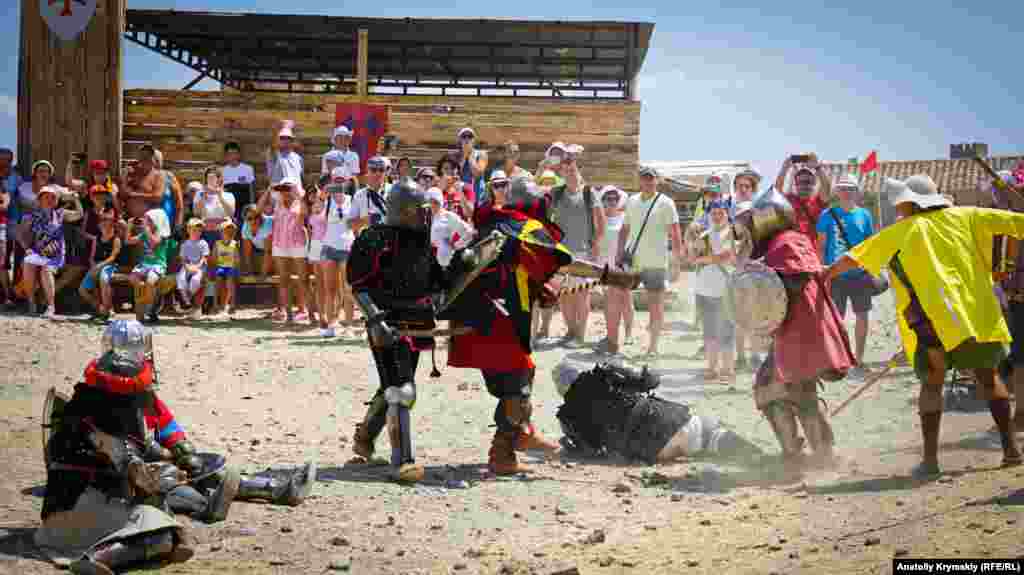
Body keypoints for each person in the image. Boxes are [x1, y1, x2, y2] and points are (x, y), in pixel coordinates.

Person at [825, 175, 1023, 476]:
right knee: (988, 377)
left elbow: (855, 257)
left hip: (934, 321)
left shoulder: (903, 230)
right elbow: (1017, 223)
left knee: (932, 384)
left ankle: (930, 463)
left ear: (909, 202)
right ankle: (1010, 451)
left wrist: (824, 274)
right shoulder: (968, 215)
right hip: (976, 315)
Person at [445, 177, 636, 474]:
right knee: (518, 386)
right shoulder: (526, 227)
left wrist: (535, 289)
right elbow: (564, 262)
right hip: (499, 319)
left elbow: (509, 269)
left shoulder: (490, 225)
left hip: (473, 316)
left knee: (515, 380)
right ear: (536, 204)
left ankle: (521, 433)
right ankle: (504, 453)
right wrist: (609, 275)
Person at [35, 320, 194, 574]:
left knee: (162, 527)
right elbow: (137, 475)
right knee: (160, 534)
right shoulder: (111, 435)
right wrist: (163, 476)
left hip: (60, 513)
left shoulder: (81, 408)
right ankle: (99, 557)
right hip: (82, 514)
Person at [735, 186, 854, 469]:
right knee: (790, 390)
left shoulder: (787, 242)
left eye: (753, 222)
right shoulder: (785, 241)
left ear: (766, 219)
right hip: (797, 328)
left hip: (803, 329)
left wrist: (763, 276)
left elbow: (795, 281)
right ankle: (807, 453)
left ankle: (816, 455)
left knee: (791, 390)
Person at [347, 180, 449, 483]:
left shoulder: (421, 244)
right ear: (404, 211)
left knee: (395, 384)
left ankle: (365, 436)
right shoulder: (374, 239)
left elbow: (437, 283)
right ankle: (403, 461)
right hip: (386, 322)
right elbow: (359, 285)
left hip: (417, 323)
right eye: (418, 210)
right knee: (401, 389)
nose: (424, 215)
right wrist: (376, 320)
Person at [140, 393, 315, 520]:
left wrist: (178, 448)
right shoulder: (112, 408)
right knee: (164, 481)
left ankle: (279, 489)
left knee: (197, 465)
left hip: (156, 461)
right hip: (130, 478)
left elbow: (166, 424)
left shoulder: (142, 395)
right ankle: (205, 508)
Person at [553, 361, 763, 462]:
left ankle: (711, 447)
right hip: (667, 423)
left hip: (648, 452)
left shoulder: (566, 417)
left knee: (699, 442)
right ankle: (759, 458)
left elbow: (591, 451)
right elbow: (651, 380)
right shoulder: (603, 373)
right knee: (709, 429)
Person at [615, 166, 684, 357]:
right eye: (644, 178)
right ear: (640, 180)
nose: (648, 181)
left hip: (656, 262)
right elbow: (624, 230)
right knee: (620, 296)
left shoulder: (666, 202)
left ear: (657, 180)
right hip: (633, 261)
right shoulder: (632, 201)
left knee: (655, 305)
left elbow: (676, 233)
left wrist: (676, 262)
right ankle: (623, 337)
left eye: (651, 178)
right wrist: (618, 254)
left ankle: (653, 346)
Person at [816, 174, 877, 373]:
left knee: (862, 316)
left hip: (859, 274)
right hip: (835, 275)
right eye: (842, 188)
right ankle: (839, 358)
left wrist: (871, 268)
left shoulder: (865, 215)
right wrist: (821, 270)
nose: (846, 192)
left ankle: (859, 358)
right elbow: (821, 244)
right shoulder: (827, 214)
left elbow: (871, 244)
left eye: (850, 188)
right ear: (837, 192)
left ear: (856, 191)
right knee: (836, 319)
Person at [549, 148, 604, 348]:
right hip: (561, 253)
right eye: (566, 169)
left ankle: (580, 335)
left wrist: (596, 244)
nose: (570, 171)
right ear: (561, 172)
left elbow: (601, 223)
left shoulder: (589, 193)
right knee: (564, 295)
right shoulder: (556, 194)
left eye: (572, 168)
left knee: (581, 294)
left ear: (576, 169)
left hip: (582, 252)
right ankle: (570, 332)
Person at [689, 198, 738, 383]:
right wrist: (698, 253)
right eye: (714, 213)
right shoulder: (704, 235)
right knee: (709, 331)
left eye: (721, 213)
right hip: (704, 289)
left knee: (726, 332)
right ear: (709, 215)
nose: (717, 216)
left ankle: (727, 370)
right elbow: (692, 258)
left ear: (727, 214)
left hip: (726, 289)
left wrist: (703, 258)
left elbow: (727, 256)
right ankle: (711, 368)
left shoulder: (733, 234)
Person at [990, 169, 1024, 432]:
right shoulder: (1007, 222)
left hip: (1016, 296)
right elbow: (1001, 266)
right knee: (1019, 356)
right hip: (1016, 296)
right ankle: (1021, 413)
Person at [17, 185, 83, 318]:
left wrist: (76, 200)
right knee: (27, 263)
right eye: (45, 197)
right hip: (37, 252)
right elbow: (20, 234)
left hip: (55, 254)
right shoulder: (31, 216)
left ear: (56, 201)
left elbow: (79, 215)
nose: (49, 199)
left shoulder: (60, 213)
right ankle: (31, 302)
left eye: (53, 197)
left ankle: (50, 306)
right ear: (39, 200)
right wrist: (27, 249)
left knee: (46, 269)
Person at [259, 177, 308, 322]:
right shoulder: (277, 203)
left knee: (302, 278)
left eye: (288, 188)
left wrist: (299, 196)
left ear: (294, 189)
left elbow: (305, 214)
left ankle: (303, 310)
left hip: (297, 243)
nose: (285, 191)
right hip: (280, 244)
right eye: (282, 189)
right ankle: (288, 314)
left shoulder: (300, 202)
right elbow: (258, 208)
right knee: (284, 279)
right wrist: (269, 190)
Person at [730, 168, 764, 369]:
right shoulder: (729, 208)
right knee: (740, 313)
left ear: (753, 189)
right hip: (738, 265)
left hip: (758, 263)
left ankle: (755, 355)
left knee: (756, 312)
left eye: (747, 186)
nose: (743, 189)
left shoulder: (761, 207)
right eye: (739, 186)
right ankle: (741, 356)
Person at [595, 185, 634, 354]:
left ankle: (629, 334)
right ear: (602, 201)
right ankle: (611, 334)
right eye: (607, 199)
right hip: (605, 264)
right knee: (609, 300)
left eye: (614, 198)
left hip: (622, 264)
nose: (611, 202)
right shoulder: (598, 219)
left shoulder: (625, 218)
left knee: (626, 299)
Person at [320, 179, 357, 336]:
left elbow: (357, 222)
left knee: (348, 289)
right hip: (329, 248)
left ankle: (349, 326)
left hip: (347, 248)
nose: (338, 185)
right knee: (330, 290)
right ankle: (331, 325)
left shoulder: (353, 199)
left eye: (341, 182)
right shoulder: (326, 200)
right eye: (335, 182)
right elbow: (315, 207)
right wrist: (324, 194)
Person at [125, 208, 173, 324]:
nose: (146, 222)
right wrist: (129, 226)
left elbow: (154, 242)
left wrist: (146, 230)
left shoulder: (162, 235)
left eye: (149, 220)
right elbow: (128, 241)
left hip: (157, 265)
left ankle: (149, 306)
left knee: (151, 280)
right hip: (144, 265)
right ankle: (145, 304)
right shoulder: (144, 233)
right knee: (133, 279)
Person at [78, 209, 122, 322]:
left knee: (103, 278)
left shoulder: (116, 239)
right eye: (102, 220)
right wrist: (93, 266)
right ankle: (100, 308)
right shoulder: (96, 239)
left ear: (112, 223)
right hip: (96, 265)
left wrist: (99, 266)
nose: (104, 223)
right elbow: (92, 257)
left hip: (110, 265)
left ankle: (107, 310)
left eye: (107, 220)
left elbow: (113, 257)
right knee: (82, 289)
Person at [427, 186, 474, 268]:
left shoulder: (449, 216)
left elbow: (468, 232)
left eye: (435, 202)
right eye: (430, 202)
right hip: (432, 262)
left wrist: (455, 246)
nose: (432, 205)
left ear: (440, 201)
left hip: (452, 262)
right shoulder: (427, 218)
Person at [349, 156, 390, 237]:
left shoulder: (394, 191)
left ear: (385, 173)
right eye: (374, 170)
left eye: (381, 170)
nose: (378, 173)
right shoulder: (359, 195)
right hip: (368, 243)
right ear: (368, 171)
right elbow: (350, 224)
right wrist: (366, 220)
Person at [175, 219, 208, 320]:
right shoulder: (185, 244)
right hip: (187, 266)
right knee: (180, 278)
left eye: (199, 230)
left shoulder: (203, 243)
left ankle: (186, 300)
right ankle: (186, 302)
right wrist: (187, 267)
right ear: (188, 230)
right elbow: (183, 259)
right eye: (194, 230)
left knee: (195, 280)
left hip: (199, 267)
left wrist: (197, 267)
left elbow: (204, 258)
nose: (197, 232)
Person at [122, 145, 165, 221]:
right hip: (130, 218)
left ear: (153, 158)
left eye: (148, 155)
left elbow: (157, 197)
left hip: (149, 221)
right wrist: (124, 176)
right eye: (142, 155)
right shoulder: (132, 173)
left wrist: (135, 195)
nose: (145, 158)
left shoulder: (158, 175)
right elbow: (123, 194)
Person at [222, 141, 255, 224]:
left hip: (244, 206)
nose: (232, 156)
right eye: (229, 154)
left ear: (239, 154)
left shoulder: (248, 169)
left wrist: (252, 205)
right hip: (229, 206)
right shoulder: (222, 171)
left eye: (235, 153)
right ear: (226, 156)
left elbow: (251, 188)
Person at [266, 121, 305, 185]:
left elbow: (301, 177)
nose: (285, 140)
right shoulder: (273, 154)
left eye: (288, 138)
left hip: (295, 191)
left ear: (291, 140)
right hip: (278, 190)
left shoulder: (298, 158)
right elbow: (273, 145)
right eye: (282, 138)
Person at [456, 127, 487, 206]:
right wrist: (463, 157)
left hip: (478, 197)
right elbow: (456, 175)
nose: (467, 139)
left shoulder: (481, 154)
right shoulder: (456, 156)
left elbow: (477, 174)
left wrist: (469, 157)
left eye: (470, 136)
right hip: (462, 198)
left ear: (473, 140)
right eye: (464, 137)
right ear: (460, 140)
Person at [240, 203, 273, 276]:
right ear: (245, 219)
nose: (253, 221)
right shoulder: (245, 228)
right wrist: (250, 273)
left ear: (261, 216)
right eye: (249, 219)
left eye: (256, 217)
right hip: (261, 249)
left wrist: (263, 274)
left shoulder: (268, 224)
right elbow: (247, 253)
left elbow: (268, 252)